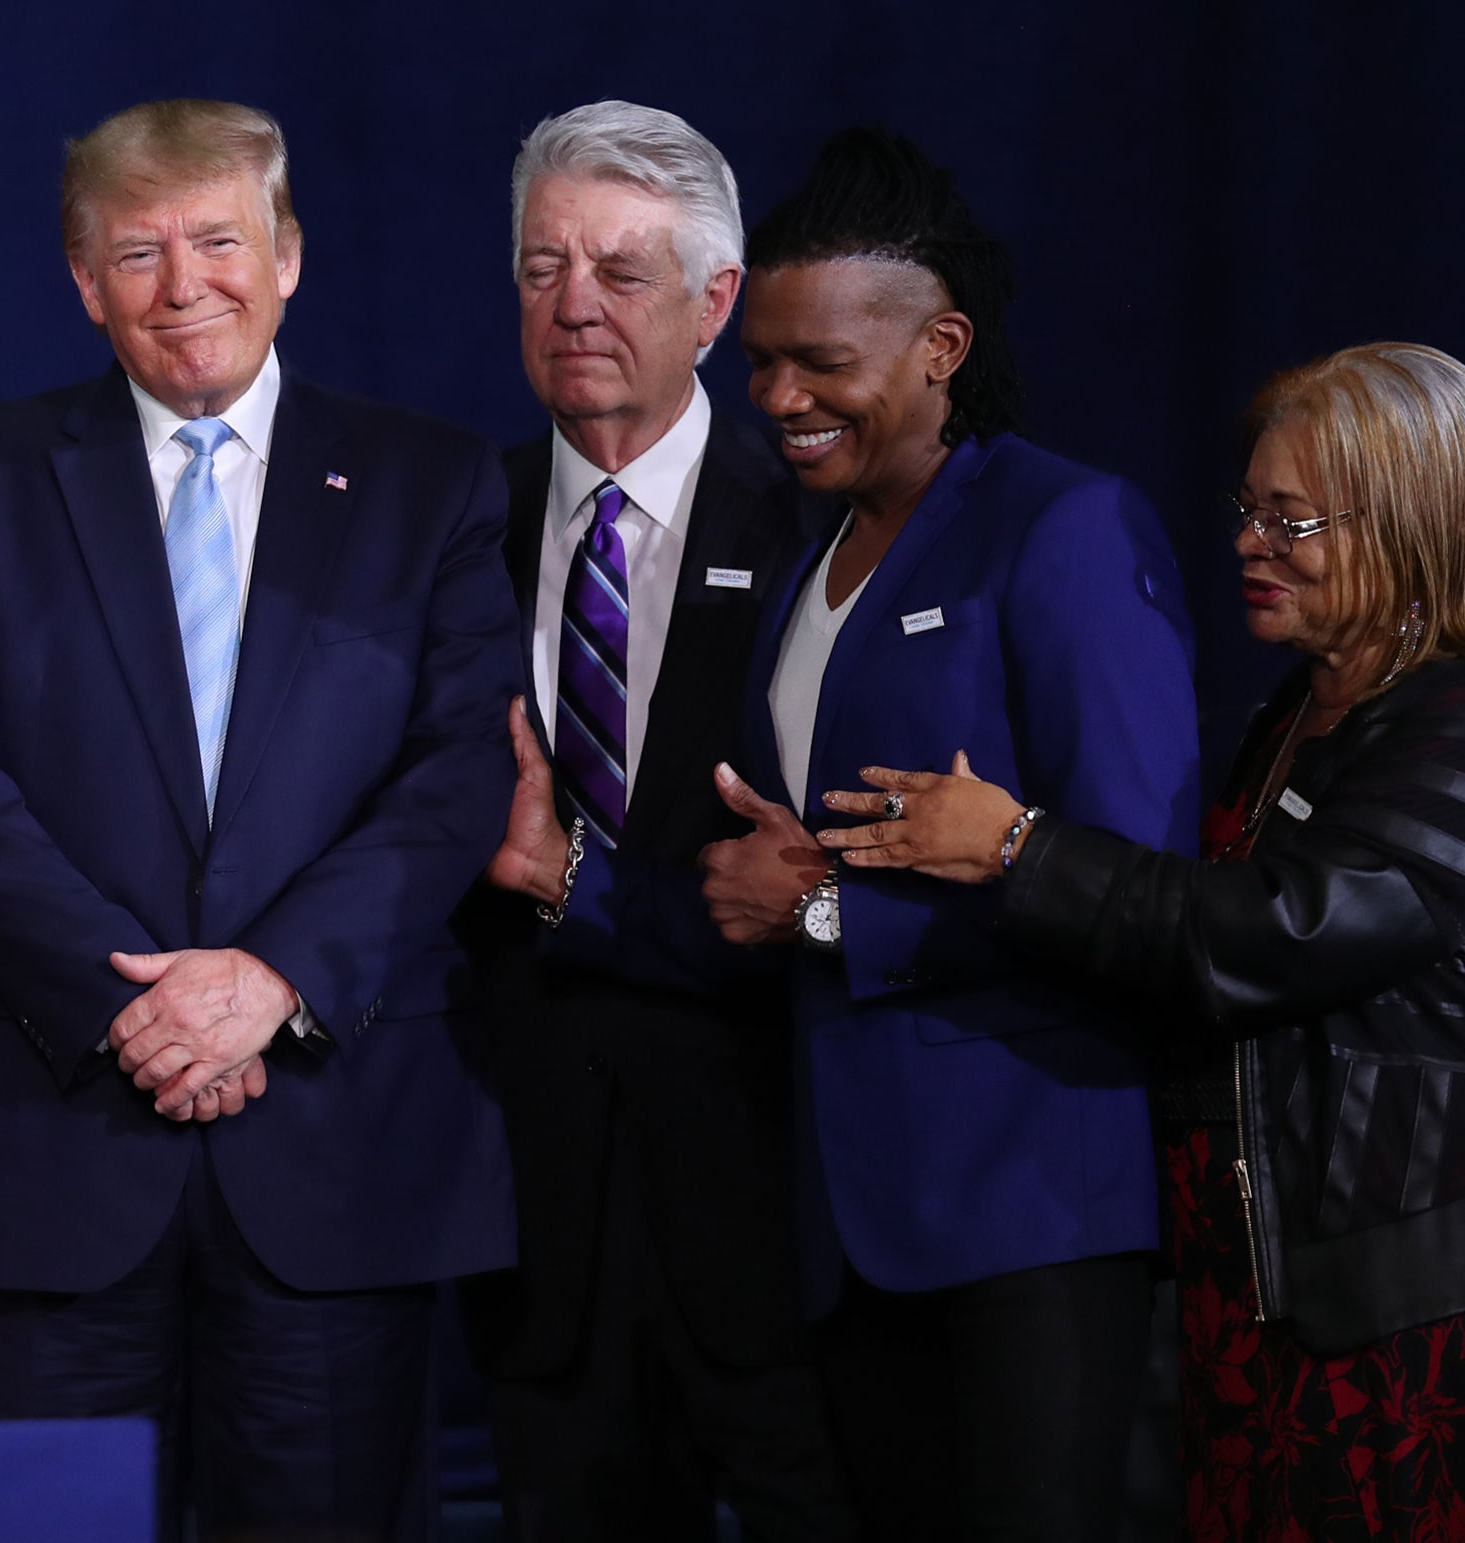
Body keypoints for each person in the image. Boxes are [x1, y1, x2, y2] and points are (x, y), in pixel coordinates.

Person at [0, 98, 523, 1540]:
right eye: (138, 252)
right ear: (80, 279)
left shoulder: (431, 482)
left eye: (220, 241)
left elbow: (457, 772)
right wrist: (133, 1007)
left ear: (288, 253)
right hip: (48, 1142)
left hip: (332, 1145)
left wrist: (271, 980)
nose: (185, 287)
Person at [814, 342, 1465, 1542]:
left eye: (1289, 517)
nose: (1245, 544)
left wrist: (1015, 846)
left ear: (1409, 521)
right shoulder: (1296, 707)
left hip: (1385, 1314)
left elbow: (1271, 932)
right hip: (1247, 1293)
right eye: (1245, 509)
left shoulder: (1446, 722)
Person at [687, 127, 1198, 1540]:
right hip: (850, 1214)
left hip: (1032, 1200)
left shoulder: (1065, 527)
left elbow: (1133, 887)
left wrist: (832, 916)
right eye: (763, 361)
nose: (781, 395)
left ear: (939, 345)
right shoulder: (809, 564)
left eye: (822, 363)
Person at [466, 102, 853, 1540]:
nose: (572, 305)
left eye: (620, 271)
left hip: (780, 1205)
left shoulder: (822, 529)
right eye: (539, 266)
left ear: (716, 300)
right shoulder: (454, 529)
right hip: (534, 1217)